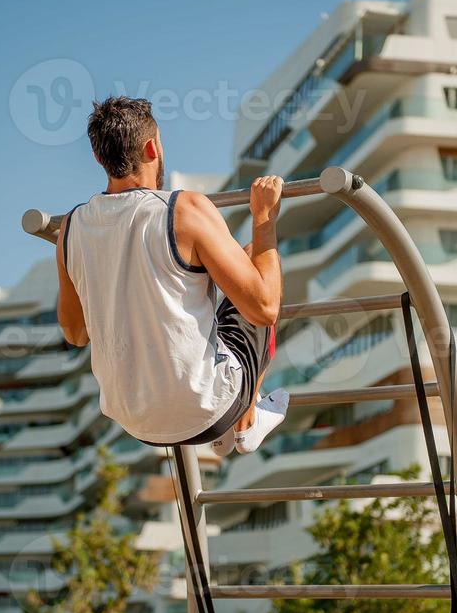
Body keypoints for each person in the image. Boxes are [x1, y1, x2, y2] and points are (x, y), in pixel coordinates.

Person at [56, 96, 289, 455]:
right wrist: (264, 220)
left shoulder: (72, 228)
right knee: (257, 263)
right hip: (207, 406)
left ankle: (234, 423)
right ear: (152, 147)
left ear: (99, 159)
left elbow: (74, 333)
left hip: (136, 422)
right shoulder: (185, 208)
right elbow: (265, 307)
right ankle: (246, 422)